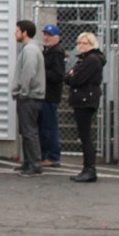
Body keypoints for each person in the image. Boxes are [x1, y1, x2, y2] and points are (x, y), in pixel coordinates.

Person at [65, 31, 106, 183]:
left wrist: (72, 75)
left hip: (85, 99)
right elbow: (68, 77)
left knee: (85, 136)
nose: (81, 46)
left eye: (85, 43)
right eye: (79, 43)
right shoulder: (85, 59)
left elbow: (76, 79)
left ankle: (90, 169)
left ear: (92, 44)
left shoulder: (91, 60)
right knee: (84, 135)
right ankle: (87, 168)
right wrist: (71, 75)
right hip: (82, 99)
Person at [12, 20, 46, 176]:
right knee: (26, 131)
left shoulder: (30, 50)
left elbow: (29, 72)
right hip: (31, 95)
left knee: (29, 131)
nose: (15, 33)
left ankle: (34, 164)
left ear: (24, 32)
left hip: (30, 96)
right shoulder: (29, 49)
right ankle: (28, 162)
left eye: (17, 30)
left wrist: (23, 91)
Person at [40, 24, 66, 169]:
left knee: (49, 128)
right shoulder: (48, 50)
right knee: (46, 127)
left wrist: (41, 71)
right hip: (46, 94)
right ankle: (47, 155)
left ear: (57, 37)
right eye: (45, 34)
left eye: (49, 35)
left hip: (50, 95)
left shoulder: (56, 52)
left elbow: (58, 75)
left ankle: (52, 156)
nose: (46, 37)